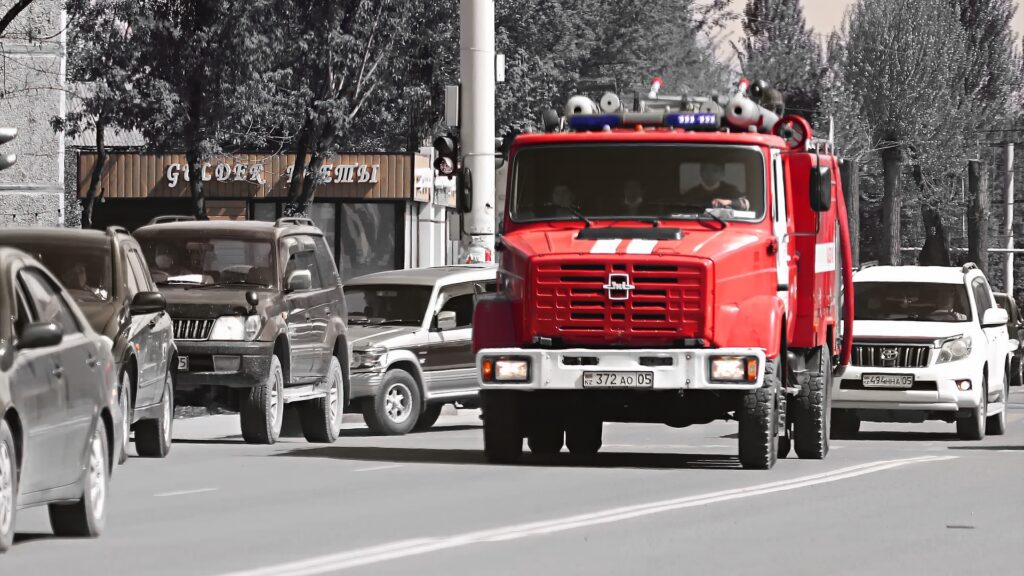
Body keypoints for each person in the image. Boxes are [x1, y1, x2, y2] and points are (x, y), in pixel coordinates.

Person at [683, 161, 750, 210]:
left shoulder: (731, 190)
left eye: (715, 170)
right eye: (706, 170)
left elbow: (746, 204)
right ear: (701, 173)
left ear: (722, 174)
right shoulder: (691, 193)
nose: (710, 174)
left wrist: (728, 202)